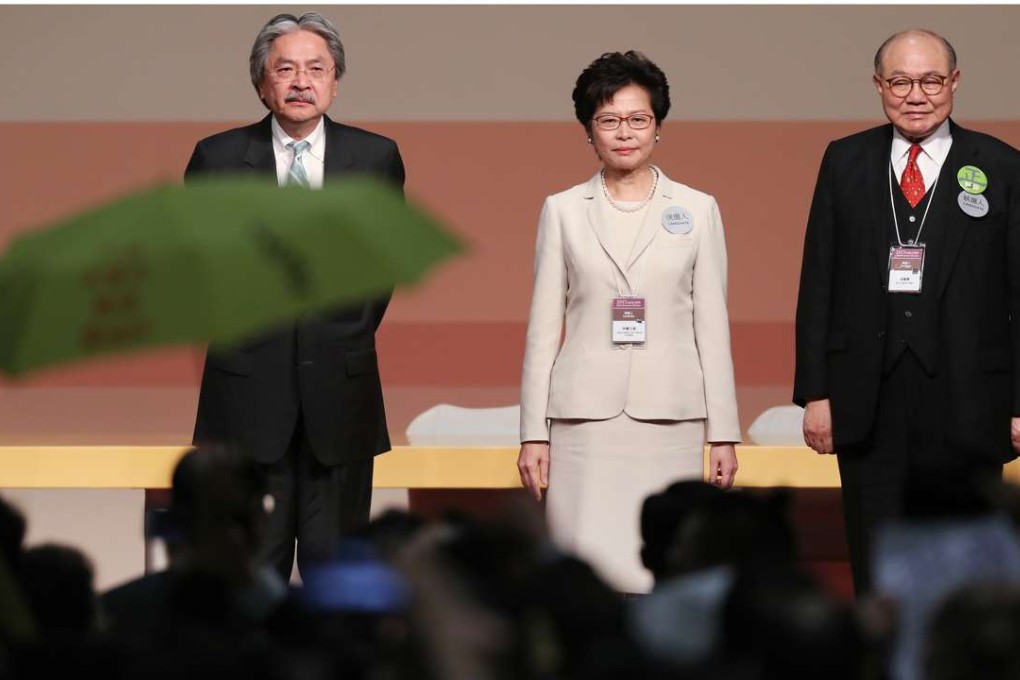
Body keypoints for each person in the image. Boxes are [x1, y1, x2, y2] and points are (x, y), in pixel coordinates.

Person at [793, 29, 1020, 595]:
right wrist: (815, 391)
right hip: (868, 394)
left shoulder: (1000, 164)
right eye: (899, 81)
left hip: (971, 394)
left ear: (955, 83)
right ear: (878, 86)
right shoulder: (844, 160)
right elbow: (819, 278)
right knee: (875, 552)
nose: (915, 94)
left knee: (968, 558)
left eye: (930, 80)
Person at [184, 13, 405, 581]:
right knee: (248, 579)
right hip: (245, 401)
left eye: (316, 69)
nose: (301, 82)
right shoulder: (218, 158)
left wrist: (336, 332)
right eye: (285, 69)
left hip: (341, 399)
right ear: (262, 83)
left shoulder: (375, 158)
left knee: (338, 584)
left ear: (336, 81)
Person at [517, 51, 741, 594]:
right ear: (588, 130)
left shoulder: (698, 208)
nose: (625, 133)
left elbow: (713, 324)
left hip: (672, 421)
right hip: (582, 425)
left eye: (638, 119)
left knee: (667, 571)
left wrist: (725, 433)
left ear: (658, 126)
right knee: (585, 578)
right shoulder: (564, 209)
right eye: (609, 120)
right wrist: (532, 434)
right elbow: (543, 328)